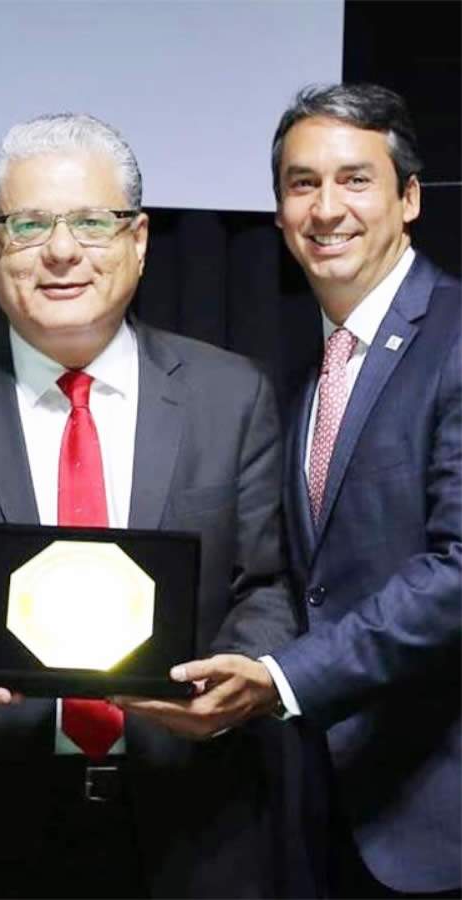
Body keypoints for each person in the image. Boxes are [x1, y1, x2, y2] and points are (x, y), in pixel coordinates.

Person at [0, 112, 298, 898]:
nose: (60, 251)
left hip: (196, 817)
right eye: (29, 223)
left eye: (91, 221)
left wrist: (239, 675)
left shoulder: (231, 396)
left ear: (139, 240)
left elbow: (269, 583)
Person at [126, 84, 460, 898]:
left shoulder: (454, 337)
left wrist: (278, 679)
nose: (326, 208)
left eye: (355, 179)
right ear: (278, 213)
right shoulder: (317, 369)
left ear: (409, 198)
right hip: (333, 813)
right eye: (302, 184)